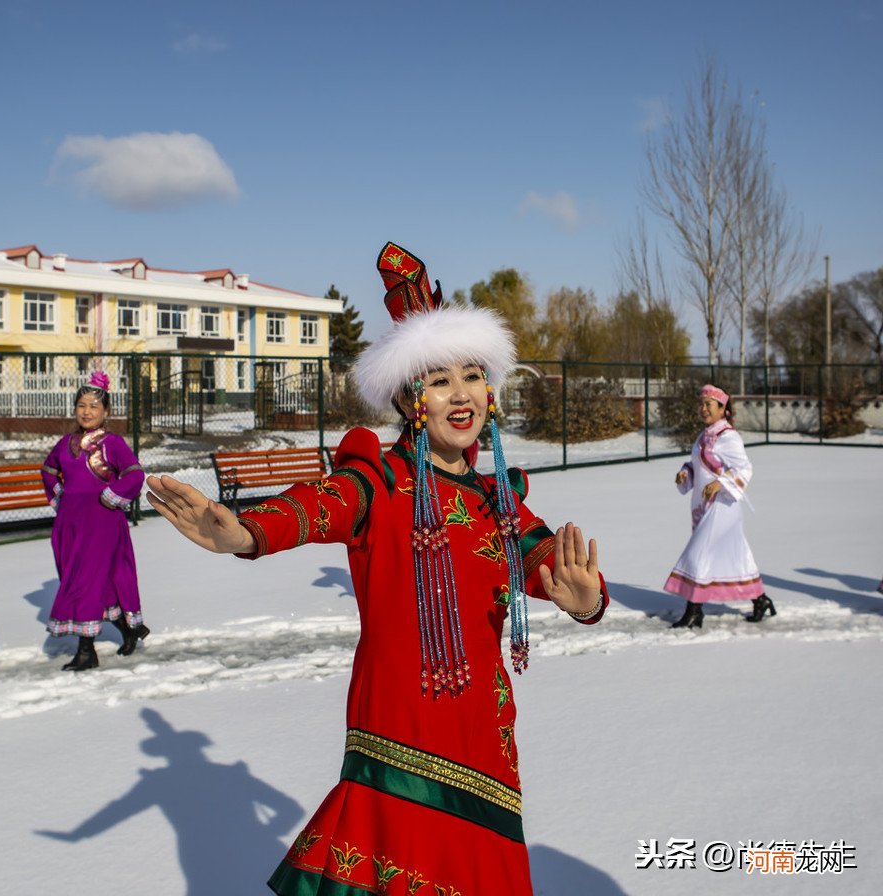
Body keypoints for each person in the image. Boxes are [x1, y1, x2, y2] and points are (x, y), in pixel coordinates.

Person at [147, 243, 609, 896]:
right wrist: (248, 532)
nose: (460, 394)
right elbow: (318, 506)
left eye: (472, 376)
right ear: (408, 396)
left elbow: (552, 569)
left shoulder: (496, 502)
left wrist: (585, 600)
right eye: (438, 378)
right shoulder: (380, 483)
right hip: (398, 726)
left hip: (486, 738)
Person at [40, 370, 148, 671]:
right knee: (92, 582)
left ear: (106, 412)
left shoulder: (112, 444)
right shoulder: (65, 443)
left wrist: (112, 494)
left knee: (86, 581)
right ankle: (128, 630)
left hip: (101, 524)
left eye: (94, 406)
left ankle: (86, 652)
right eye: (82, 405)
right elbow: (48, 471)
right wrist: (61, 497)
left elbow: (134, 474)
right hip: (71, 525)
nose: (86, 412)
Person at [664, 384, 774, 627]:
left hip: (723, 506)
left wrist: (721, 483)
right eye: (701, 404)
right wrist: (686, 472)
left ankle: (694, 611)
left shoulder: (729, 437)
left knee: (698, 554)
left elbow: (744, 468)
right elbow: (698, 463)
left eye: (708, 404)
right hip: (704, 505)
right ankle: (760, 599)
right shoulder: (704, 436)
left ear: (723, 408)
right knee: (736, 555)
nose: (703, 409)